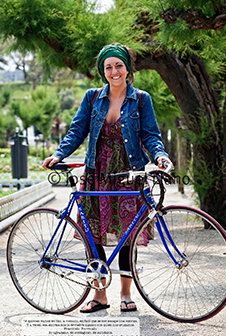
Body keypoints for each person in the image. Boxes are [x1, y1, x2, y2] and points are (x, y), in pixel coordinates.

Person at [43, 43, 173, 313]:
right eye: (108, 67)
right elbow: (77, 130)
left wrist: (160, 156)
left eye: (119, 66)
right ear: (103, 71)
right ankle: (100, 295)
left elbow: (150, 135)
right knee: (95, 235)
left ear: (128, 68)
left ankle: (126, 294)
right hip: (97, 175)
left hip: (129, 173)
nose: (114, 71)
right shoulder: (92, 97)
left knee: (128, 234)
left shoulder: (140, 99)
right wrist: (59, 154)